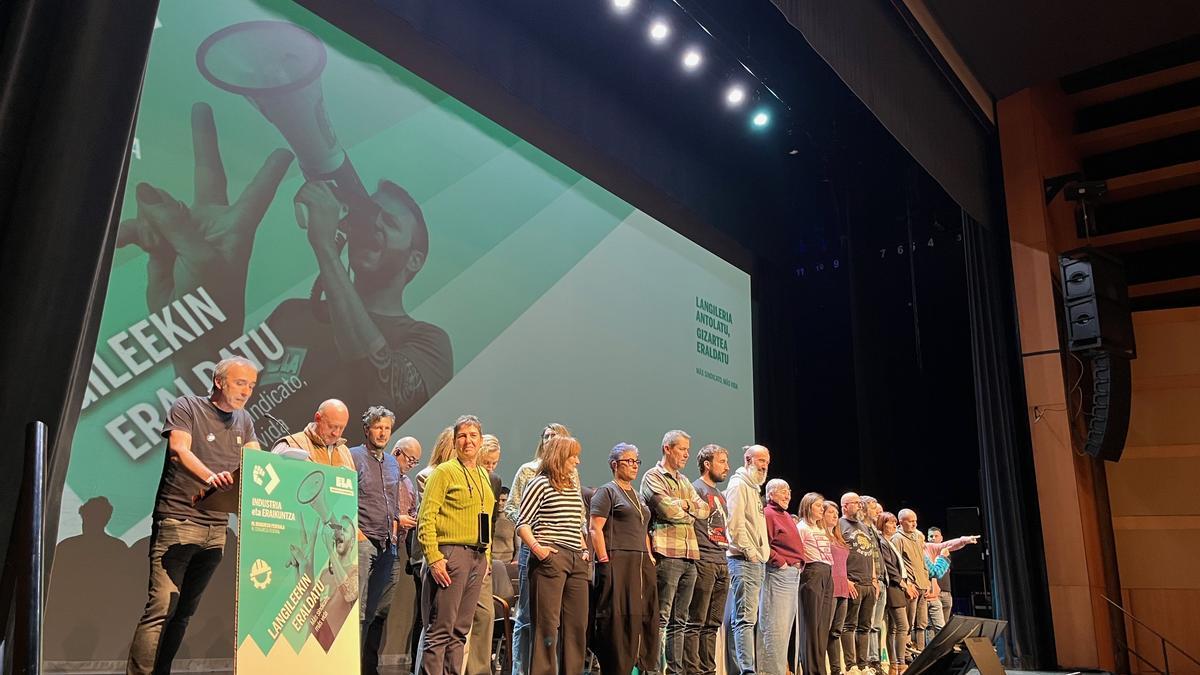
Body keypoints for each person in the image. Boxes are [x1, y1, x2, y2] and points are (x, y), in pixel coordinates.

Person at [116, 104, 451, 434]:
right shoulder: (291, 316)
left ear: (414, 260)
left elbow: (387, 395)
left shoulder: (426, 342)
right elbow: (214, 417)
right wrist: (190, 322)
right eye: (367, 214)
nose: (371, 226)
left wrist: (325, 248)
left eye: (389, 223)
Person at [126, 357, 261, 675]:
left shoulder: (244, 420)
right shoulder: (188, 406)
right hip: (179, 520)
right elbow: (179, 450)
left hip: (217, 530)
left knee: (184, 612)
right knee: (161, 608)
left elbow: (256, 461)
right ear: (219, 381)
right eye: (240, 383)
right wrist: (211, 477)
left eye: (252, 386)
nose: (246, 392)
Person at [416, 415, 495, 675]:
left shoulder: (483, 475)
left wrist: (487, 560)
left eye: (473, 435)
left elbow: (487, 522)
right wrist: (434, 557)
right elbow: (425, 518)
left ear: (481, 441)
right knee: (440, 630)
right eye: (462, 436)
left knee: (460, 632)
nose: (468, 440)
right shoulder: (444, 472)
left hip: (477, 557)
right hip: (451, 554)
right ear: (454, 441)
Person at [515, 435, 590, 675]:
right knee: (547, 626)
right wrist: (539, 550)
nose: (577, 461)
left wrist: (585, 549)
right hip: (551, 559)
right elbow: (522, 523)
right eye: (573, 456)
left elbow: (578, 522)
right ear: (559, 457)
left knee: (576, 626)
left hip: (576, 559)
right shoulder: (539, 483)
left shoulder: (572, 485)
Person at [641, 430, 711, 675]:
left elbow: (704, 510)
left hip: (690, 555)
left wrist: (685, 505)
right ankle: (654, 670)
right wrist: (688, 509)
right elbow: (666, 511)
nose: (686, 454)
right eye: (682, 449)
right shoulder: (653, 476)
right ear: (667, 449)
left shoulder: (684, 481)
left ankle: (675, 670)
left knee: (680, 620)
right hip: (667, 554)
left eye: (688, 450)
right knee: (661, 617)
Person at [589, 443, 659, 675]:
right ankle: (618, 667)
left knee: (643, 615)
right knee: (619, 619)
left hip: (641, 563)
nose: (633, 465)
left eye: (636, 461)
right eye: (628, 461)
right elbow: (594, 529)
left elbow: (643, 528)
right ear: (614, 464)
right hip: (618, 561)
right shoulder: (607, 492)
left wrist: (649, 556)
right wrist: (604, 560)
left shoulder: (637, 496)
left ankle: (641, 667)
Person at [508, 422, 570, 675]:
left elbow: (576, 514)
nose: (549, 440)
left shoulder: (570, 474)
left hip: (561, 553)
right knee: (526, 613)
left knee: (552, 618)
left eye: (555, 437)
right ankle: (521, 670)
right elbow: (512, 507)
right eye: (546, 436)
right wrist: (533, 532)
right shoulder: (528, 471)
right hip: (532, 549)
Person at [349, 405, 402, 672]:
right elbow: (344, 498)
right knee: (356, 613)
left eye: (387, 429)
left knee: (376, 612)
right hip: (362, 540)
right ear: (367, 429)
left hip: (387, 545)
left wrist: (393, 531)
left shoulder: (392, 462)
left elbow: (392, 502)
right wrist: (357, 534)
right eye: (378, 427)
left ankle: (366, 667)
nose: (382, 433)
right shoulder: (353, 457)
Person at [363, 436, 422, 675]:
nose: (411, 465)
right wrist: (398, 519)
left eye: (416, 462)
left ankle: (371, 666)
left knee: (381, 611)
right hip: (371, 546)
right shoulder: (381, 477)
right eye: (410, 459)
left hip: (394, 550)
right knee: (364, 611)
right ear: (397, 452)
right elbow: (375, 509)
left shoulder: (408, 485)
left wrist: (410, 520)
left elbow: (412, 512)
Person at [723, 444, 770, 675]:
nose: (764, 466)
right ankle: (747, 670)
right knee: (744, 619)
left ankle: (742, 668)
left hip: (756, 561)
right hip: (743, 559)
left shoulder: (753, 488)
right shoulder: (738, 484)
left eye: (767, 462)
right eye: (761, 461)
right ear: (748, 459)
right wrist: (750, 552)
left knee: (745, 619)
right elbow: (734, 523)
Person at [686, 444, 730, 675]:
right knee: (696, 620)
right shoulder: (696, 489)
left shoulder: (721, 496)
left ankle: (708, 669)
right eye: (722, 462)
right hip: (703, 559)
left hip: (722, 559)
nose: (727, 467)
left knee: (713, 623)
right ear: (707, 464)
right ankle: (693, 670)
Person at [465, 434, 504, 675]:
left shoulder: (495, 481)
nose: (490, 468)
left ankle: (480, 670)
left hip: (483, 554)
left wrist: (488, 557)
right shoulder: (463, 476)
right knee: (463, 618)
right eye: (486, 462)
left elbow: (492, 523)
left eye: (494, 463)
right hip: (461, 551)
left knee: (486, 614)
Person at [758, 479, 803, 675]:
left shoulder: (784, 515)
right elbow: (763, 544)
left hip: (792, 575)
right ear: (770, 495)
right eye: (782, 491)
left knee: (785, 630)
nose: (787, 495)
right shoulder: (768, 514)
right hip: (778, 574)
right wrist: (781, 562)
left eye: (789, 491)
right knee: (774, 628)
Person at [838, 493, 879, 675]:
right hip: (852, 582)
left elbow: (869, 553)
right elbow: (837, 556)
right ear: (845, 506)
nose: (859, 506)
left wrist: (874, 580)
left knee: (865, 626)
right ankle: (850, 665)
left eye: (859, 503)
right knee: (849, 625)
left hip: (868, 584)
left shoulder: (864, 526)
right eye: (855, 503)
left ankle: (863, 665)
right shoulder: (840, 525)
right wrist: (845, 580)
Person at [796, 492, 833, 675]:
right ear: (808, 507)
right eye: (819, 505)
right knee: (811, 624)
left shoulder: (820, 529)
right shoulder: (802, 528)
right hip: (812, 573)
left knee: (822, 625)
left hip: (827, 572)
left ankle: (820, 669)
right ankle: (810, 670)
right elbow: (797, 554)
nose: (822, 509)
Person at [875, 513, 916, 675]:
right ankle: (900, 662)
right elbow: (889, 567)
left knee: (893, 628)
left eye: (894, 523)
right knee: (902, 626)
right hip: (894, 586)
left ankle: (894, 665)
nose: (894, 526)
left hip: (898, 586)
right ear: (883, 525)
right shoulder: (883, 542)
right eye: (890, 523)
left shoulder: (889, 542)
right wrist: (903, 584)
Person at [271, 398, 355, 470]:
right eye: (331, 426)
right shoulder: (291, 444)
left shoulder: (345, 452)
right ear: (318, 418)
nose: (336, 433)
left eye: (341, 428)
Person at [892, 509, 929, 659]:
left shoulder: (918, 537)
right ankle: (906, 654)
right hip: (911, 586)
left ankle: (920, 651)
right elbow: (897, 563)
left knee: (922, 622)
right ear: (901, 522)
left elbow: (922, 561)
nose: (914, 523)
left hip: (922, 585)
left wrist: (927, 583)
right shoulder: (897, 539)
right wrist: (906, 584)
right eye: (910, 521)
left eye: (915, 521)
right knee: (909, 622)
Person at [827, 503, 853, 675]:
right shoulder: (821, 536)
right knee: (826, 630)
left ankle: (837, 670)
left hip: (843, 588)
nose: (835, 515)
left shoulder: (838, 537)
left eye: (836, 513)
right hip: (829, 588)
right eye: (830, 512)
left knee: (836, 631)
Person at [861, 496, 887, 672]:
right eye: (873, 507)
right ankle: (870, 660)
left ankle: (875, 658)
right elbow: (867, 556)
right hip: (872, 581)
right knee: (869, 624)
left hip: (881, 580)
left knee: (876, 624)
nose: (878, 511)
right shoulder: (862, 529)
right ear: (863, 509)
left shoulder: (875, 531)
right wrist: (873, 580)